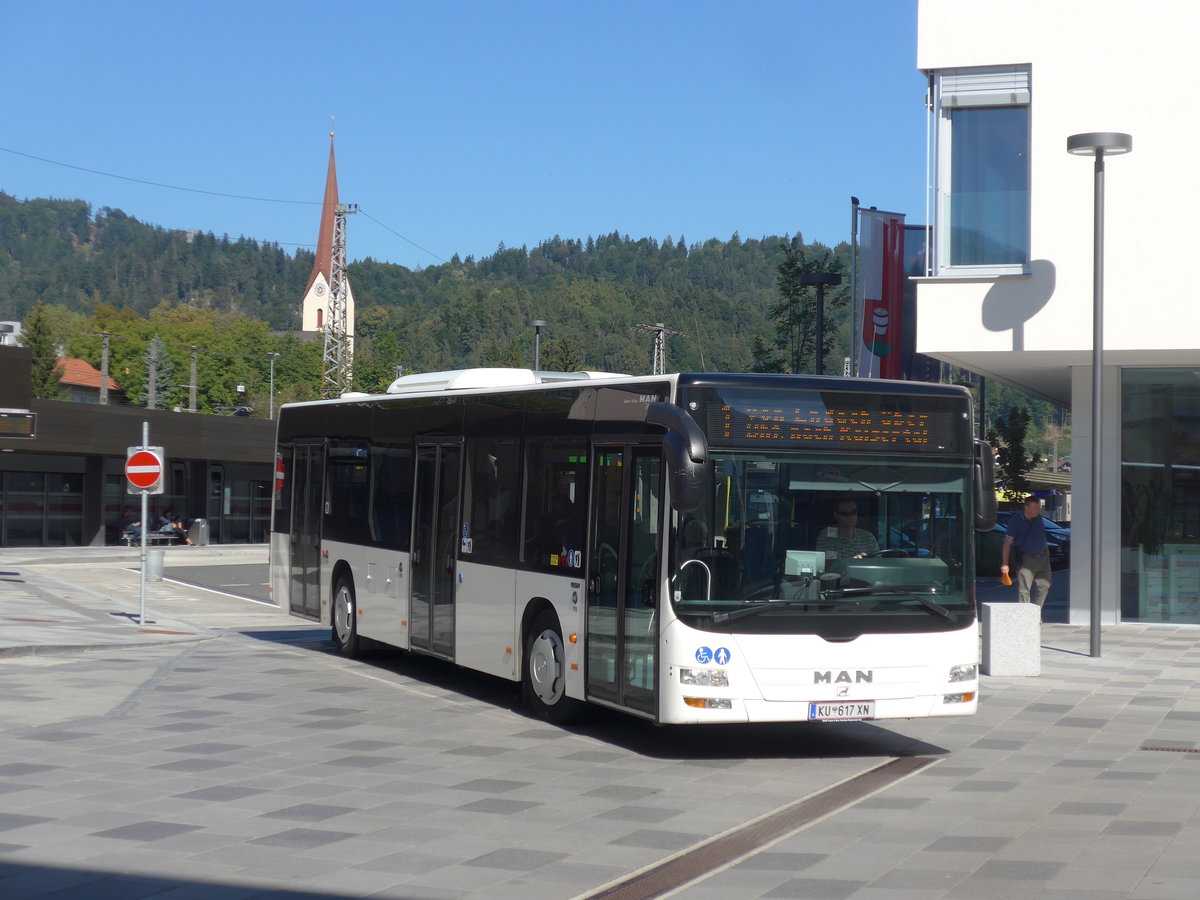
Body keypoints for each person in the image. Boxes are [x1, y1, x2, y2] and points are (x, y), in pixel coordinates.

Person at [1001, 497, 1052, 608]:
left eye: (1039, 508)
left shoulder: (1038, 518)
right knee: (1024, 590)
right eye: (1035, 508)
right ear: (1026, 508)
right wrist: (1005, 564)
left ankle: (1035, 613)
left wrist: (1047, 552)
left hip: (1043, 558)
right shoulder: (1016, 520)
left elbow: (1041, 536)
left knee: (1044, 586)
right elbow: (1008, 542)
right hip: (1026, 558)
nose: (1038, 511)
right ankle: (1025, 616)